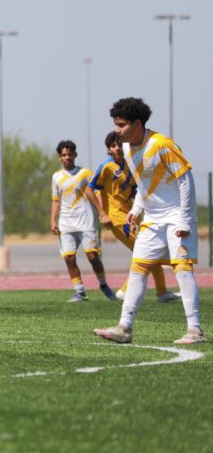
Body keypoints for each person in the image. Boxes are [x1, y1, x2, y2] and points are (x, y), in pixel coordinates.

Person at [94, 97, 205, 345]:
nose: (117, 130)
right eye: (115, 124)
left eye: (121, 125)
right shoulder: (126, 148)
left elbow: (185, 180)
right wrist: (136, 209)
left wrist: (185, 220)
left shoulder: (162, 144)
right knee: (138, 269)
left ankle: (195, 330)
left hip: (176, 216)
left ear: (137, 123)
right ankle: (124, 328)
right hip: (152, 220)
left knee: (182, 270)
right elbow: (142, 184)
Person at [84, 131, 178, 303]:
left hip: (130, 217)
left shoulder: (131, 164)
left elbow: (137, 191)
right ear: (109, 149)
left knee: (151, 252)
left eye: (119, 144)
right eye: (113, 146)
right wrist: (102, 213)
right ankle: (126, 291)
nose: (117, 148)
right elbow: (89, 190)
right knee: (149, 251)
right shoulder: (106, 167)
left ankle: (161, 292)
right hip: (117, 218)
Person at [50, 140, 117, 302]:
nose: (67, 157)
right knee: (69, 258)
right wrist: (53, 221)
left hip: (85, 222)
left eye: (70, 154)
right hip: (66, 223)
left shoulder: (85, 174)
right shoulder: (56, 177)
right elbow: (56, 200)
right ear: (60, 157)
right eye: (64, 155)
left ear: (75, 155)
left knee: (93, 257)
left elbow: (96, 192)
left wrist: (102, 212)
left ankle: (103, 285)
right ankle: (80, 292)